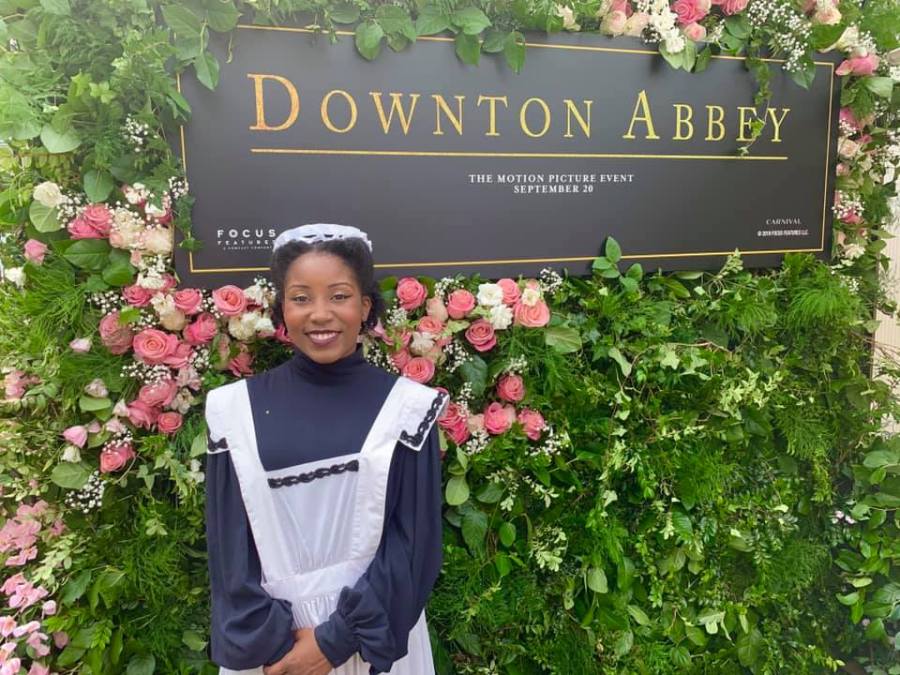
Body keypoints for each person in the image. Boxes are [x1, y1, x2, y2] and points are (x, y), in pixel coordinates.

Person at [204, 223, 447, 675]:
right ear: (282, 310)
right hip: (274, 651)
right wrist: (283, 649)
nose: (320, 314)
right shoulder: (231, 410)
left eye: (339, 296)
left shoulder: (408, 409)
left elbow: (414, 546)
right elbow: (229, 554)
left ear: (365, 306)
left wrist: (333, 642)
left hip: (374, 641)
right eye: (301, 298)